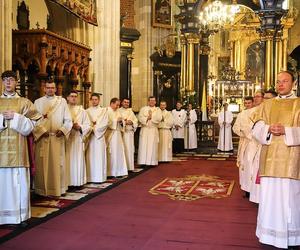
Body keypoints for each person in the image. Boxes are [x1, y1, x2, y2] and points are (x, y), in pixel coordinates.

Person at [252, 71, 300, 249]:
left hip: (291, 160)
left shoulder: (299, 103)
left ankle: (292, 237)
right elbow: (256, 126)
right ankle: (269, 235)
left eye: (285, 81)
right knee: (270, 198)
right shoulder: (267, 104)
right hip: (270, 158)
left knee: (291, 199)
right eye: (278, 81)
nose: (281, 84)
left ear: (293, 83)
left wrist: (286, 130)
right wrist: (267, 128)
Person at [0, 70, 41, 225]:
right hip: (1, 152)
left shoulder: (25, 102)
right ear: (2, 82)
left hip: (19, 151)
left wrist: (16, 118)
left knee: (18, 183)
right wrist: (2, 119)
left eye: (11, 79)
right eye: (5, 80)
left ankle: (19, 217)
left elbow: (37, 123)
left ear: (16, 81)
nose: (8, 82)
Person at [33, 80, 72, 197]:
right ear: (44, 89)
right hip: (42, 138)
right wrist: (41, 131)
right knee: (42, 165)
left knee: (57, 164)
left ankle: (57, 189)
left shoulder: (62, 101)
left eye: (52, 88)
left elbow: (68, 120)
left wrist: (63, 130)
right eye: (48, 87)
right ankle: (41, 190)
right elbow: (33, 120)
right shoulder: (37, 102)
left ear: (55, 89)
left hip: (57, 137)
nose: (50, 89)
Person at [66, 90, 91, 188]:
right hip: (66, 139)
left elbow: (88, 125)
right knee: (68, 160)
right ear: (67, 98)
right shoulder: (64, 109)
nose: (74, 98)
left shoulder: (82, 110)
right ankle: (67, 183)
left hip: (77, 138)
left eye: (75, 96)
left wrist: (80, 127)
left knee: (78, 159)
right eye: (71, 96)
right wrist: (69, 126)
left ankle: (78, 182)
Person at [232, 96, 255, 197]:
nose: (247, 105)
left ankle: (252, 189)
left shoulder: (257, 112)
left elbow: (256, 127)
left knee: (251, 166)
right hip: (244, 142)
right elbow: (235, 127)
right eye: (245, 103)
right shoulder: (241, 114)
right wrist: (243, 132)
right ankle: (245, 188)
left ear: (253, 103)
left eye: (249, 103)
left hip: (254, 143)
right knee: (243, 166)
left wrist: (247, 131)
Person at [86, 93, 108, 183]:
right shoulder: (86, 111)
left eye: (96, 99)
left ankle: (99, 177)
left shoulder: (103, 111)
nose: (94, 101)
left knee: (99, 156)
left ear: (99, 100)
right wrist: (89, 129)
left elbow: (104, 124)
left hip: (99, 137)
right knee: (90, 156)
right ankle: (89, 177)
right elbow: (85, 123)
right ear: (90, 100)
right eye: (93, 99)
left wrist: (93, 129)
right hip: (90, 137)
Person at [106, 98, 128, 177]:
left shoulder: (118, 111)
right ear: (111, 103)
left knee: (119, 152)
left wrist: (122, 121)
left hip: (118, 134)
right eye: (116, 105)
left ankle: (119, 171)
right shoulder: (107, 111)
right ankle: (111, 172)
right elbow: (107, 122)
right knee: (112, 152)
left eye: (119, 105)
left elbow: (123, 122)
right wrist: (116, 121)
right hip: (111, 134)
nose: (118, 106)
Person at [137, 96, 162, 166]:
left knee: (152, 146)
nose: (152, 102)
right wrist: (147, 118)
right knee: (143, 145)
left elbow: (159, 118)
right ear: (148, 101)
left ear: (155, 102)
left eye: (153, 100)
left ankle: (152, 162)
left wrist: (152, 117)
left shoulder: (158, 110)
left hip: (153, 130)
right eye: (150, 100)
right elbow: (140, 117)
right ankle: (143, 162)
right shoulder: (143, 109)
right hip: (145, 129)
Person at [119, 98, 138, 171]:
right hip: (122, 133)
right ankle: (123, 168)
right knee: (123, 150)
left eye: (128, 102)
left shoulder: (131, 111)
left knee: (129, 150)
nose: (126, 103)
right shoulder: (119, 111)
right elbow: (118, 120)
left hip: (129, 133)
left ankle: (130, 167)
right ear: (122, 103)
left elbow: (136, 120)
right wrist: (124, 122)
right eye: (125, 102)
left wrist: (132, 122)